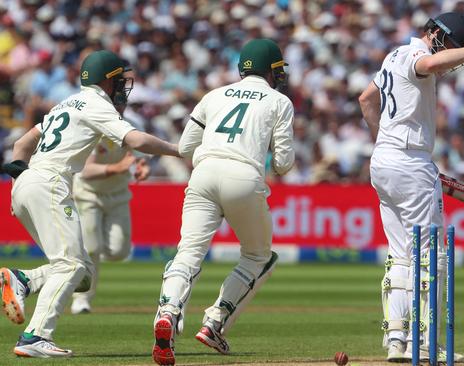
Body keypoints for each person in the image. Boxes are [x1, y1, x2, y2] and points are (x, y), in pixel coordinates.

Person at [358, 12, 464, 363]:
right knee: (433, 256)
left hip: (383, 162)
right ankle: (426, 341)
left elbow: (366, 100)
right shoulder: (418, 55)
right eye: (453, 45)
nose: (455, 56)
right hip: (411, 164)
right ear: (434, 34)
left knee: (401, 254)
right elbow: (430, 63)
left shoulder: (392, 57)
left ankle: (397, 340)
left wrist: (385, 143)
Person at [0, 49, 180, 358]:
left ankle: (24, 279)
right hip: (50, 184)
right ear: (108, 81)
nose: (123, 87)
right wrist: (180, 150)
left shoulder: (66, 103)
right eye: (120, 81)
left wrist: (19, 179)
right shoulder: (97, 104)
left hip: (27, 183)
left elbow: (20, 144)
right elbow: (136, 141)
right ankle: (34, 337)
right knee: (71, 264)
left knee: (81, 273)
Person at [151, 38, 294, 366]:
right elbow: (284, 164)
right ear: (271, 70)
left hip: (203, 173)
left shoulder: (213, 95)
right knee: (260, 256)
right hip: (243, 177)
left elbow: (186, 148)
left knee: (188, 253)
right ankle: (215, 322)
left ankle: (168, 312)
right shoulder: (279, 101)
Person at [70, 133, 151, 315]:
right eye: (117, 102)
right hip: (88, 195)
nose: (120, 106)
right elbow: (84, 170)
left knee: (119, 251)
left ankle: (88, 256)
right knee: (91, 248)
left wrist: (141, 169)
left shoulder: (129, 129)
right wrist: (117, 167)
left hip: (118, 195)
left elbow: (139, 161)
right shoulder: (92, 131)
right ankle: (81, 299)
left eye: (123, 103)